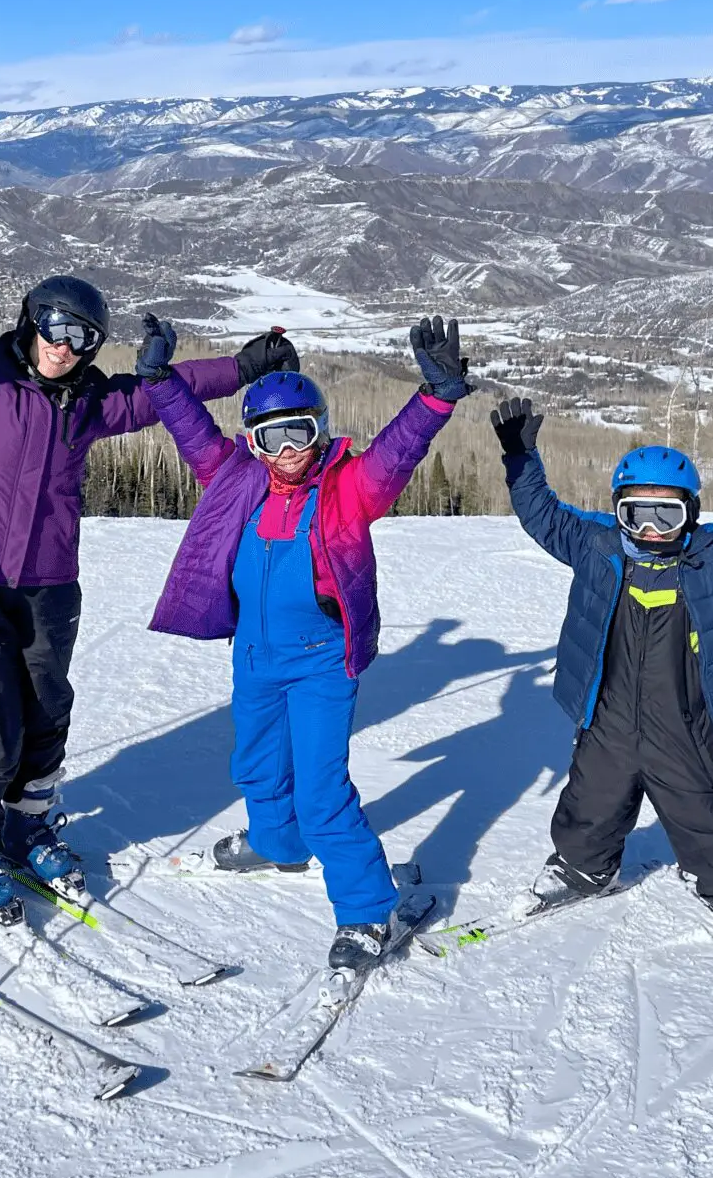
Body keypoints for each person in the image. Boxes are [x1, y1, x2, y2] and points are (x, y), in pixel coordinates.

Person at [0, 129, 298, 923]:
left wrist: (246, 368)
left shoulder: (89, 404)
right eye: (53, 326)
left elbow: (162, 391)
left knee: (47, 715)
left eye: (81, 336)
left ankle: (29, 822)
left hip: (50, 587)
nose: (62, 345)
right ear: (28, 321)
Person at [139, 312, 468, 970]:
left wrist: (436, 396)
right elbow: (192, 432)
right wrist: (160, 382)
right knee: (256, 766)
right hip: (256, 657)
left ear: (320, 432)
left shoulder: (348, 490)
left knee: (322, 793)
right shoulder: (234, 480)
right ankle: (276, 842)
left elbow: (397, 451)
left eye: (302, 432)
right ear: (253, 442)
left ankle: (371, 911)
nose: (289, 448)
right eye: (273, 436)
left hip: (320, 666)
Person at [489, 398, 713, 944]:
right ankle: (584, 867)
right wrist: (520, 459)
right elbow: (543, 514)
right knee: (592, 796)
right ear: (617, 510)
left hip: (680, 713)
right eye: (637, 513)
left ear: (692, 513)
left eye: (667, 514)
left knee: (700, 803)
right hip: (605, 709)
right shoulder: (596, 545)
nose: (652, 529)